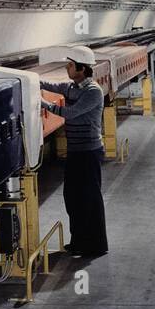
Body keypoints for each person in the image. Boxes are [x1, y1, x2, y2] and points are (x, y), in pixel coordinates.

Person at [39, 46, 109, 258]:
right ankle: (78, 240)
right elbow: (52, 85)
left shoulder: (93, 91)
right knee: (73, 197)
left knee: (90, 198)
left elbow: (70, 113)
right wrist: (32, 81)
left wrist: (42, 104)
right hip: (75, 152)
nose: (67, 68)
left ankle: (96, 244)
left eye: (70, 65)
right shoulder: (72, 87)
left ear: (82, 68)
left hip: (89, 152)